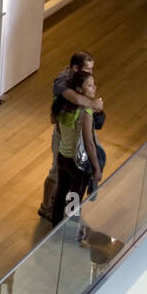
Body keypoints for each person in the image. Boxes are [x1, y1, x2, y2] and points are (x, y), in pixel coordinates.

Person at [51, 78, 101, 226]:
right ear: (79, 89)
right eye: (90, 85)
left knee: (61, 192)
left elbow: (53, 121)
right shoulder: (85, 112)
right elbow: (89, 144)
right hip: (77, 164)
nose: (94, 87)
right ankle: (69, 232)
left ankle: (56, 226)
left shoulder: (62, 105)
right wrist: (97, 168)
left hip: (62, 156)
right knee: (74, 199)